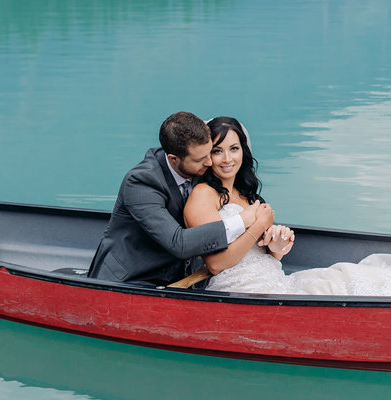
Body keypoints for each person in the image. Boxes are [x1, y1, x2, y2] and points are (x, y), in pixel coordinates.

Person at [184, 117, 391, 297]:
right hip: (242, 291)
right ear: (207, 155)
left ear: (244, 152)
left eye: (234, 149)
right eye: (217, 151)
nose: (227, 159)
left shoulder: (246, 192)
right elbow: (215, 264)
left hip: (277, 278)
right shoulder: (204, 195)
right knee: (338, 283)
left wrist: (276, 244)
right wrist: (258, 227)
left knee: (348, 275)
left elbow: (263, 250)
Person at [88, 112, 275, 285]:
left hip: (183, 278)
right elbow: (179, 243)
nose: (210, 163)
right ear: (173, 159)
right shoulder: (141, 183)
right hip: (132, 279)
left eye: (210, 153)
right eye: (201, 159)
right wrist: (243, 220)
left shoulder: (196, 163)